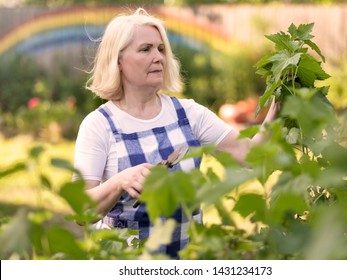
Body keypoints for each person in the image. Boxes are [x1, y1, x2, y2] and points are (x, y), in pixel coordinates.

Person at [73, 7, 279, 259]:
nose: (158, 57)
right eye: (145, 49)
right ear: (118, 61)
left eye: (161, 49)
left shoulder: (188, 114)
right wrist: (120, 181)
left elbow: (250, 154)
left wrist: (278, 104)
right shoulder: (99, 125)